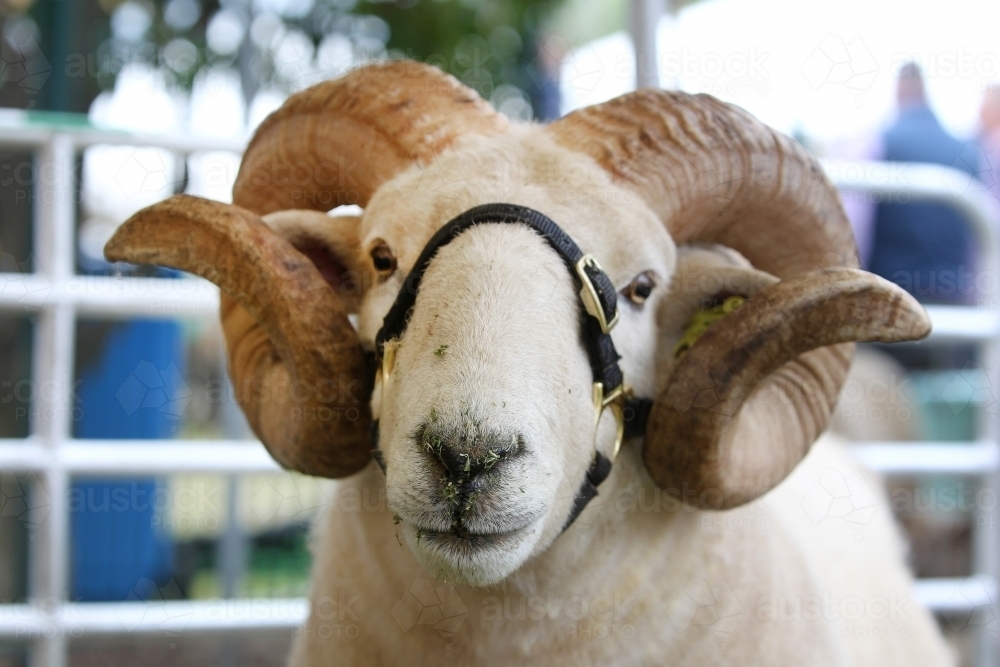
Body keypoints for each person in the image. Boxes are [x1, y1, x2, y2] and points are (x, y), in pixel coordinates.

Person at [868, 62, 980, 307]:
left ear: (898, 91)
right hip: (954, 303)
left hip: (889, 302)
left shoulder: (880, 143)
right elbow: (981, 240)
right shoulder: (969, 152)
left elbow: (858, 228)